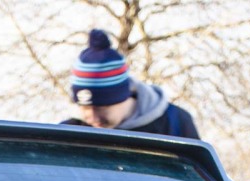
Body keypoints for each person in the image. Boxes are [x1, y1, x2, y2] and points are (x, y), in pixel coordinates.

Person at [62, 29, 200, 139]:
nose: (92, 117)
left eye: (100, 107)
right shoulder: (69, 133)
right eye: (85, 108)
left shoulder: (175, 124)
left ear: (123, 96)